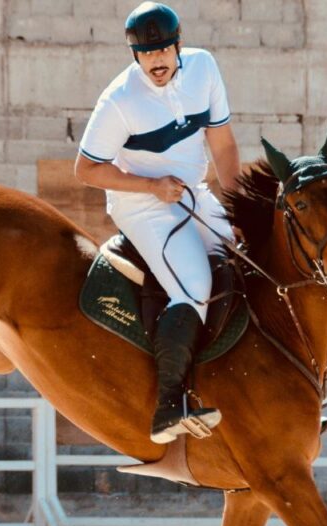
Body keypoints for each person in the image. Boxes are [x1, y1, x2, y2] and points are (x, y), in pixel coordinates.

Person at [74, 2, 242, 444]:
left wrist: (242, 209)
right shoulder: (119, 101)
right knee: (194, 286)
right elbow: (87, 170)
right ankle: (170, 405)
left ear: (178, 45)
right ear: (135, 54)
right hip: (141, 204)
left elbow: (223, 146)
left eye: (163, 50)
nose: (156, 61)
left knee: (250, 260)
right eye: (146, 54)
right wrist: (150, 186)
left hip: (192, 192)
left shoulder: (204, 68)